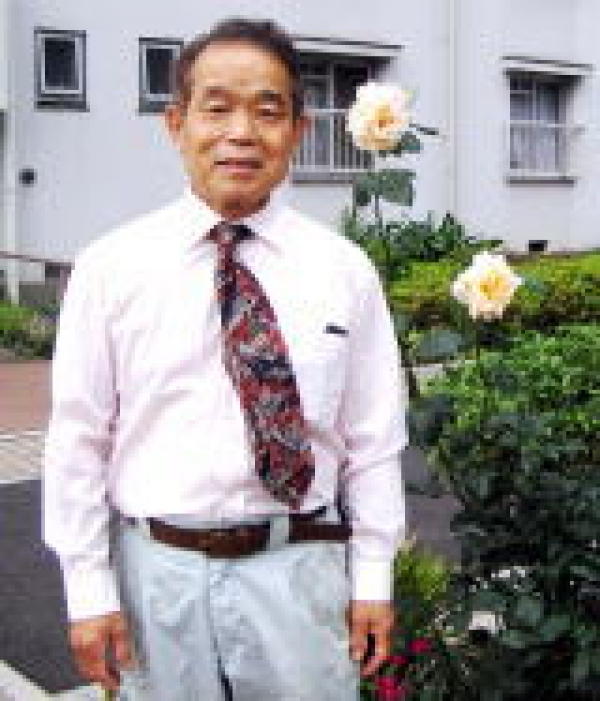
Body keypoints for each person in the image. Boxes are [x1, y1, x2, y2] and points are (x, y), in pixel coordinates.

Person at [43, 17, 407, 701]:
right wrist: (87, 589)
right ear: (176, 124)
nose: (241, 132)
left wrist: (373, 579)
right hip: (155, 577)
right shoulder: (110, 268)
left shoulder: (343, 271)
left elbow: (374, 441)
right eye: (217, 108)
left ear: (297, 131)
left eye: (267, 111)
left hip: (299, 569)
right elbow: (77, 439)